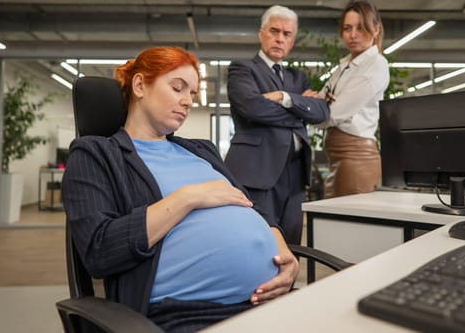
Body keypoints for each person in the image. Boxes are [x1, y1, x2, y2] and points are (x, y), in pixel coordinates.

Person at [61, 46, 299, 333]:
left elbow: (253, 208)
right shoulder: (96, 154)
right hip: (190, 313)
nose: (187, 101)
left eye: (193, 94)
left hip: (269, 302)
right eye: (178, 88)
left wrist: (285, 257)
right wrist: (189, 197)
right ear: (139, 85)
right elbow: (99, 250)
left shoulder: (202, 151)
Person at [224, 5, 330, 245]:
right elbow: (253, 108)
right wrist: (301, 110)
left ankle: (287, 285)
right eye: (274, 31)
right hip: (258, 170)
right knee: (258, 241)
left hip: (295, 173)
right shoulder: (243, 69)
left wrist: (285, 97)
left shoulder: (297, 77)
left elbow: (322, 111)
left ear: (292, 40)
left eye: (287, 34)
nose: (280, 38)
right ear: (262, 33)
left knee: (291, 242)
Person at [318, 0, 390, 198]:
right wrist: (319, 102)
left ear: (376, 29)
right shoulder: (346, 65)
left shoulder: (376, 64)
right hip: (339, 157)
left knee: (347, 225)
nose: (353, 35)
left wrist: (299, 104)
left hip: (356, 157)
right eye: (347, 28)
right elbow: (321, 99)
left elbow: (332, 113)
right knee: (335, 221)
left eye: (360, 27)